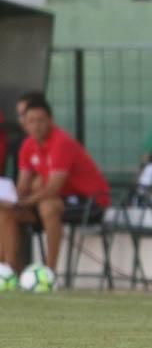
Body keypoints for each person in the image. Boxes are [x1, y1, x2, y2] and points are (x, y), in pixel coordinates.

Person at [0, 94, 110, 279]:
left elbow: (53, 188)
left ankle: (49, 272)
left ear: (50, 120)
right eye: (31, 121)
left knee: (48, 205)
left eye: (41, 120)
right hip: (61, 200)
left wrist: (24, 202)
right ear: (24, 124)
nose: (36, 125)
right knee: (6, 212)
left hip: (90, 202)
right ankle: (9, 271)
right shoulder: (27, 145)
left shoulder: (61, 142)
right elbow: (23, 186)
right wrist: (13, 200)